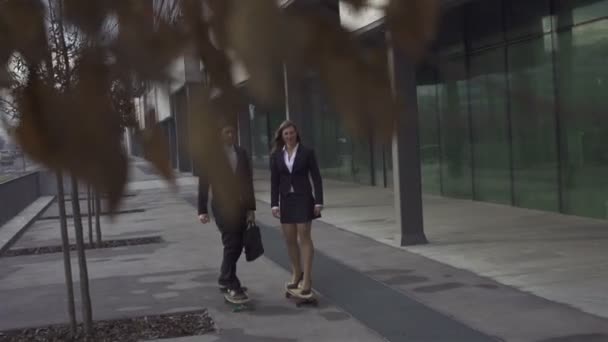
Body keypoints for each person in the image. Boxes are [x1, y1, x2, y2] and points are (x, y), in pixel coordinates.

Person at [198, 119, 256, 303]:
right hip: (222, 207)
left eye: (233, 132)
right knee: (232, 243)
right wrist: (202, 209)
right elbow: (203, 184)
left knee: (237, 244)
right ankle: (231, 284)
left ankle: (225, 278)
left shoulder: (242, 152)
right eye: (227, 132)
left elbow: (248, 183)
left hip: (240, 206)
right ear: (220, 135)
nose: (231, 135)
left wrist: (250, 208)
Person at [269, 120, 323, 298]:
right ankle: (296, 272)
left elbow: (316, 178)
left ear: (296, 134)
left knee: (304, 236)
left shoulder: (307, 152)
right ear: (282, 136)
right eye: (286, 134)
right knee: (290, 239)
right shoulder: (276, 155)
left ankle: (307, 278)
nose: (289, 136)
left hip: (303, 198)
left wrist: (318, 201)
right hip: (286, 200)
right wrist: (274, 204)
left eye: (292, 133)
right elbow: (274, 182)